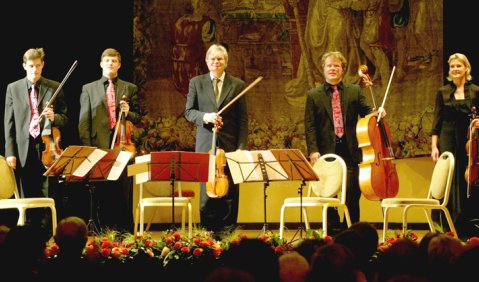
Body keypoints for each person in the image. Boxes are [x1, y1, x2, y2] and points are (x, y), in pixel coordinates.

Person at [304, 51, 376, 232]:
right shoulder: (314, 95)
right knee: (328, 192)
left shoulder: (354, 90)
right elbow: (310, 126)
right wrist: (313, 150)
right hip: (326, 151)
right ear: (323, 69)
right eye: (329, 65)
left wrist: (378, 112)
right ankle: (332, 229)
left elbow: (368, 112)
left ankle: (352, 230)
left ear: (343, 69)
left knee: (352, 193)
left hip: (351, 149)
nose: (333, 68)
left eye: (336, 65)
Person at [185, 43, 248, 235]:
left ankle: (228, 234)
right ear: (206, 61)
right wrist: (206, 117)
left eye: (220, 59)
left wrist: (241, 147)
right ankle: (207, 234)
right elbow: (188, 112)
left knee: (230, 192)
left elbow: (243, 119)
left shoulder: (238, 84)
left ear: (226, 62)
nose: (216, 62)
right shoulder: (196, 82)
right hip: (206, 143)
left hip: (229, 144)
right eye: (212, 59)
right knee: (207, 193)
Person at [4, 47, 68, 228]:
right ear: (24, 66)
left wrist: (54, 117)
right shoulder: (13, 88)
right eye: (31, 66)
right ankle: (28, 235)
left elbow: (66, 118)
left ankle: (47, 234)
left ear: (43, 65)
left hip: (47, 146)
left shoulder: (54, 87)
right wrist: (10, 152)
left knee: (47, 194)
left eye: (38, 66)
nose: (35, 70)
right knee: (27, 195)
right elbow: (8, 123)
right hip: (23, 148)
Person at [78, 48, 141, 233]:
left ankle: (123, 233)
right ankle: (104, 233)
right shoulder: (88, 88)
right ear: (101, 64)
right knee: (103, 193)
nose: (110, 64)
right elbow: (84, 122)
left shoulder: (130, 88)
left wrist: (129, 112)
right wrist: (89, 150)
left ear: (119, 65)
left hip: (123, 146)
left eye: (114, 61)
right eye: (107, 61)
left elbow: (138, 117)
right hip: (99, 147)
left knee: (123, 192)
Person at [430, 53, 479, 239]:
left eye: (459, 66)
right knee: (447, 179)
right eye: (452, 67)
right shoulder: (442, 91)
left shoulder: (475, 91)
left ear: (466, 68)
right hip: (447, 137)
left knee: (465, 179)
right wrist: (434, 146)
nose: (455, 69)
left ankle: (467, 226)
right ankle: (445, 227)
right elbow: (437, 120)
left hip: (469, 140)